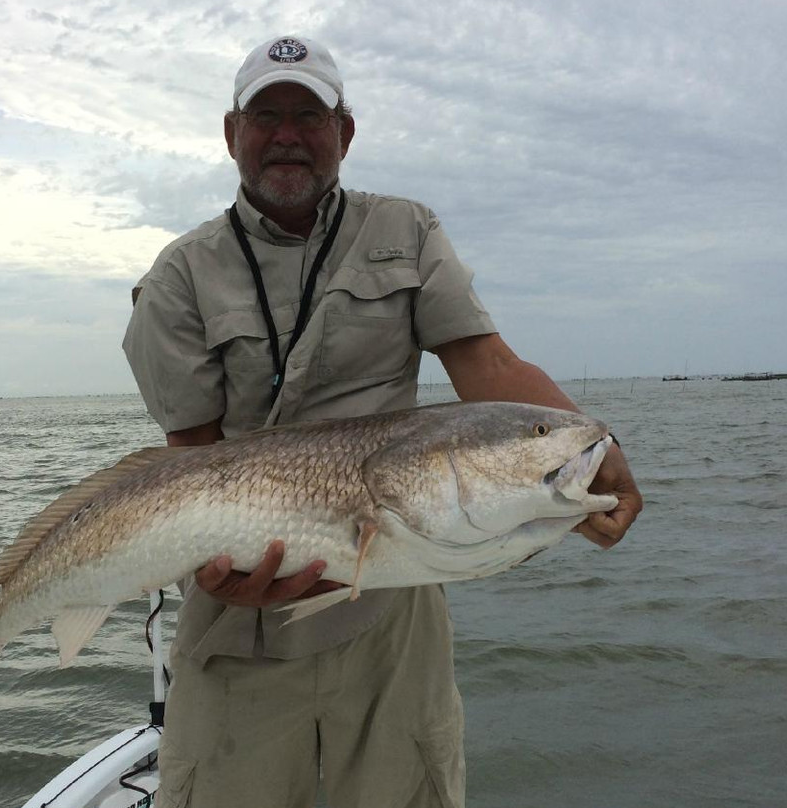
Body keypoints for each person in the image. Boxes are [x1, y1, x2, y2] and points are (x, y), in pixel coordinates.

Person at [123, 34, 642, 808]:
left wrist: (591, 442)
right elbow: (191, 458)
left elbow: (490, 370)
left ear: (346, 133)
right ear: (232, 134)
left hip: (394, 597)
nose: (289, 133)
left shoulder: (407, 231)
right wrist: (214, 569)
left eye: (310, 114)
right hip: (237, 623)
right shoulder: (179, 276)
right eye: (267, 116)